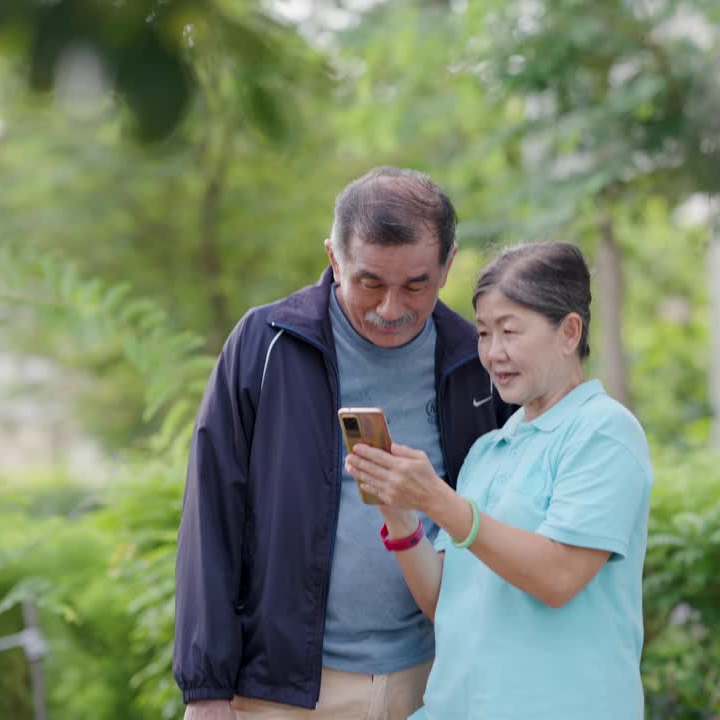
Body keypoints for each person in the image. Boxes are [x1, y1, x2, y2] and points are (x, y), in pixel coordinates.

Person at [174, 166, 514, 720]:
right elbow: (211, 513)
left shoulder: (478, 360)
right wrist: (206, 688)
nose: (391, 309)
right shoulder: (266, 345)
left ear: (449, 264)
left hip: (438, 681)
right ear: (334, 258)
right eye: (370, 283)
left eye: (416, 285)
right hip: (284, 693)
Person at [346, 241, 653, 719]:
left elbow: (557, 577)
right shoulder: (490, 449)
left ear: (569, 331)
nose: (493, 353)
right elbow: (444, 599)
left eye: (510, 331)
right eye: (484, 334)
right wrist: (400, 511)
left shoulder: (605, 433)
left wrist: (438, 499)